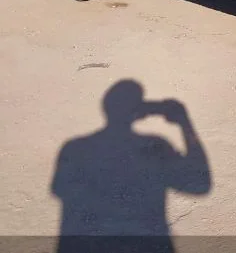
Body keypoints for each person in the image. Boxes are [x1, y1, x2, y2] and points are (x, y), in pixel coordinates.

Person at [51, 80, 211, 252]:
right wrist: (184, 123)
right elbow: (199, 183)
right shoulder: (154, 148)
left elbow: (65, 202)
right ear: (140, 110)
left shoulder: (76, 149)